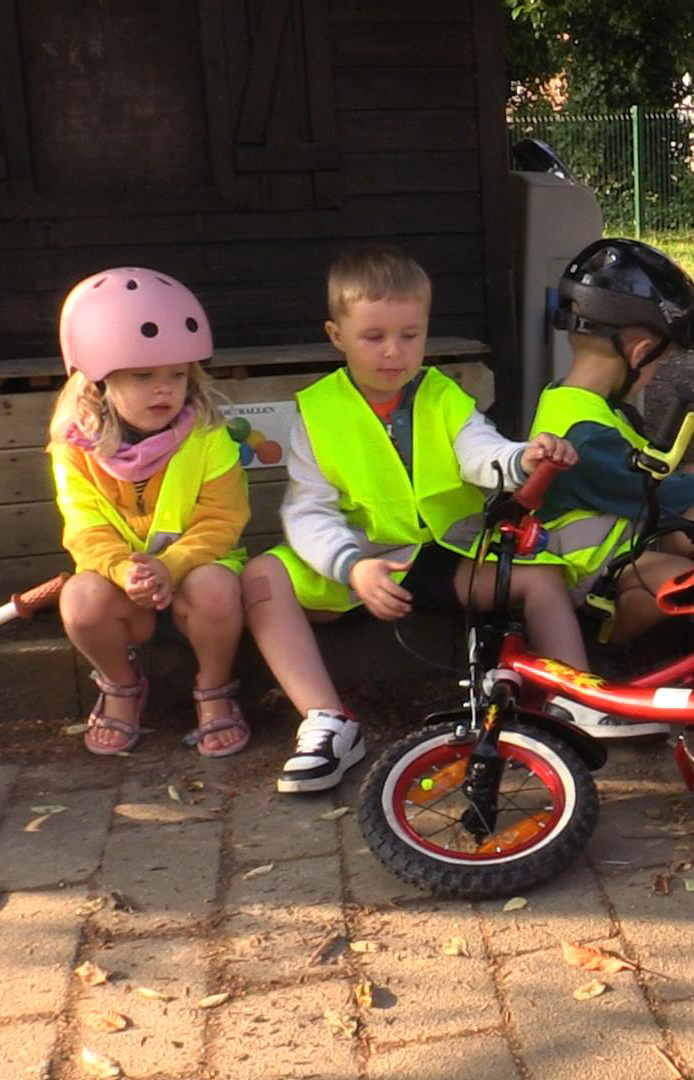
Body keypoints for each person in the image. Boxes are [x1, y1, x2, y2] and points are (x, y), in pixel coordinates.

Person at [240, 244, 586, 793]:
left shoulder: (444, 395)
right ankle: (328, 722)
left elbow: (482, 452)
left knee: (543, 578)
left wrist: (525, 459)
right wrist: (352, 567)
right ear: (336, 336)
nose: (394, 352)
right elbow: (307, 512)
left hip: (443, 555)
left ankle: (578, 702)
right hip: (358, 560)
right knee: (261, 578)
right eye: (373, 337)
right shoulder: (317, 409)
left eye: (411, 334)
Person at [48, 267, 251, 757]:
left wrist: (171, 565)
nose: (164, 389)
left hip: (192, 587)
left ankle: (214, 690)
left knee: (219, 587)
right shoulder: (73, 448)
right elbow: (84, 525)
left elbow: (223, 519)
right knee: (79, 602)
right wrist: (122, 569)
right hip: (123, 595)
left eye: (177, 375)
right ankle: (122, 686)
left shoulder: (207, 436)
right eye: (143, 376)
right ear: (97, 383)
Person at [528, 238, 694, 657]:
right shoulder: (584, 433)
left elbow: (634, 473)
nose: (655, 371)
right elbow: (646, 494)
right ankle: (612, 648)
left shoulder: (580, 404)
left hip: (619, 546)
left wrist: (685, 476)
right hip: (586, 574)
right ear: (641, 353)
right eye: (660, 362)